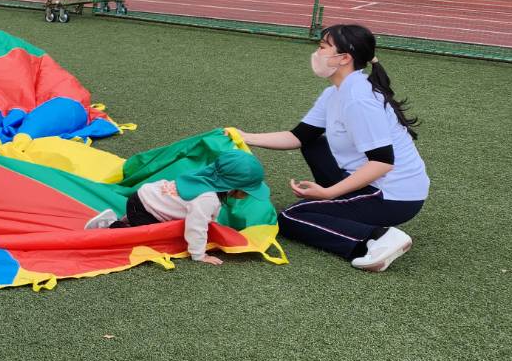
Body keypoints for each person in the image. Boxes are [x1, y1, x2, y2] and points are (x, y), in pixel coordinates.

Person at [240, 24, 427, 272]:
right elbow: (298, 136)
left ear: (344, 58)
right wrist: (244, 136)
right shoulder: (335, 93)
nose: (316, 53)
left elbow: (382, 162)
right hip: (375, 185)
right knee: (314, 142)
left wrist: (328, 193)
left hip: (394, 196)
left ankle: (379, 238)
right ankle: (347, 206)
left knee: (290, 217)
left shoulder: (358, 99)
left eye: (322, 47)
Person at [84, 151, 265, 265]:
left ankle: (128, 218)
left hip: (144, 198)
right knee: (146, 240)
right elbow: (196, 226)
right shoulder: (208, 198)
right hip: (144, 207)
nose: (246, 195)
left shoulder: (205, 178)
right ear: (232, 187)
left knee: (148, 221)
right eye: (246, 191)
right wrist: (199, 255)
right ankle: (112, 225)